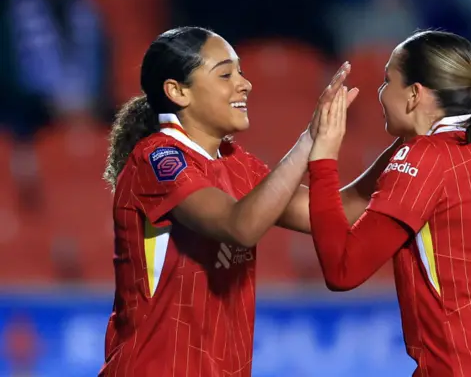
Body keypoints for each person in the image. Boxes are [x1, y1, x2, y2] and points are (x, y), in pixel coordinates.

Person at [99, 26, 400, 376]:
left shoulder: (237, 164)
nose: (245, 83)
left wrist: (411, 142)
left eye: (240, 71)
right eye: (226, 74)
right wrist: (309, 141)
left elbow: (341, 210)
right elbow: (240, 226)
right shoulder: (157, 159)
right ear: (177, 91)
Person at [306, 30, 471, 376]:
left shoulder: (425, 159)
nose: (381, 93)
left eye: (387, 81)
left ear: (414, 94)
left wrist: (322, 156)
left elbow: (342, 270)